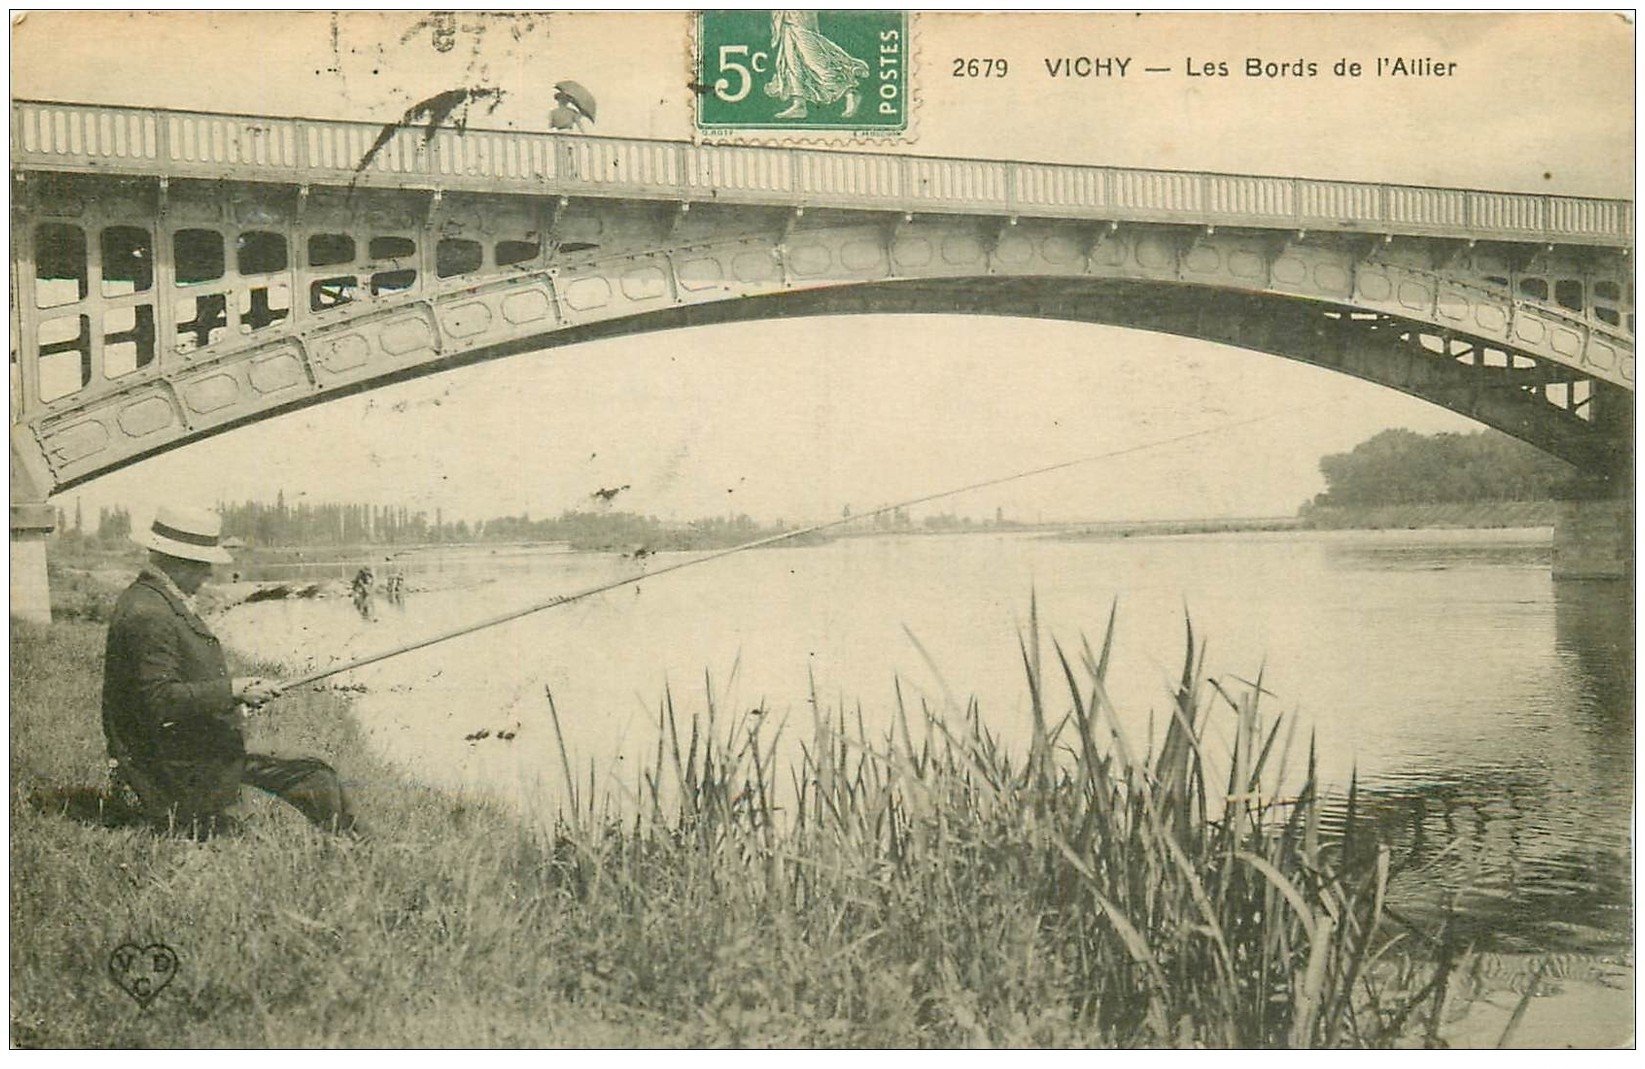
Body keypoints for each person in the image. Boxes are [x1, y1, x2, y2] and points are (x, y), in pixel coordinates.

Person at [102, 505, 358, 838]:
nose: (208, 574)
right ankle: (358, 847)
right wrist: (233, 690)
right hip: (174, 764)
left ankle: (353, 844)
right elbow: (158, 700)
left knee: (312, 770)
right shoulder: (149, 612)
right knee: (313, 773)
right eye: (203, 564)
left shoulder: (154, 600)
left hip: (184, 747)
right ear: (178, 562)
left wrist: (236, 695)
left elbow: (171, 686)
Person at [765, 11, 868, 120]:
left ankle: (850, 92)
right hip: (786, 17)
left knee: (815, 61)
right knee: (792, 61)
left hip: (800, 15)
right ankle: (799, 103)